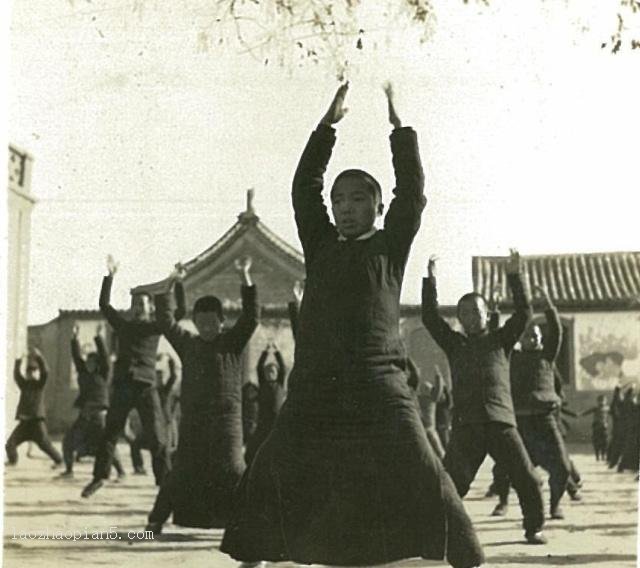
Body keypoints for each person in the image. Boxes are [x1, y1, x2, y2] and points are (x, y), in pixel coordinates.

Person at [221, 83, 484, 568]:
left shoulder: (390, 246)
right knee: (271, 462)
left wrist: (399, 128)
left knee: (424, 465)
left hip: (381, 383)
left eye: (357, 199)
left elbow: (413, 191)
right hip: (317, 386)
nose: (344, 207)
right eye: (339, 199)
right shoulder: (320, 245)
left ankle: (466, 558)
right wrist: (327, 126)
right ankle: (254, 555)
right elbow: (304, 189)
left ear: (378, 208)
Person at [422, 251, 547, 545]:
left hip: (501, 422)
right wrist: (431, 279)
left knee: (527, 478)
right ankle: (438, 531)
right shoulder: (454, 344)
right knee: (451, 483)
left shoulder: (501, 340)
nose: (470, 317)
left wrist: (516, 276)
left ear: (486, 312)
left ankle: (534, 528)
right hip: (467, 426)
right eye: (464, 313)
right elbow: (429, 317)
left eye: (476, 312)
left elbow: (524, 313)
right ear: (460, 318)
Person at [145, 256, 258, 534]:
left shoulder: (232, 342)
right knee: (181, 472)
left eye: (212, 323)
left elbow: (252, 317)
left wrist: (245, 276)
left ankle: (251, 524)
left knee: (234, 470)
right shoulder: (188, 344)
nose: (207, 328)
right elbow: (166, 321)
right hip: (194, 422)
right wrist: (166, 288)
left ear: (222, 322)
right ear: (195, 322)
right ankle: (155, 521)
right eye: (201, 323)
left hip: (227, 422)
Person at [81, 256, 177, 498]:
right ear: (132, 308)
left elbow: (180, 311)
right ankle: (99, 477)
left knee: (157, 437)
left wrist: (175, 283)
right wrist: (109, 276)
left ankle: (164, 483)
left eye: (143, 305)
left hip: (146, 387)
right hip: (123, 386)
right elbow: (104, 305)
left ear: (150, 308)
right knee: (110, 433)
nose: (139, 308)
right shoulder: (123, 326)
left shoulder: (156, 327)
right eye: (135, 305)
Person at [490, 286, 570, 520]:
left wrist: (548, 306)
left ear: (541, 339)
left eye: (536, 336)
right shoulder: (509, 357)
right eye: (527, 336)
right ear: (520, 339)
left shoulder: (547, 357)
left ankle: (554, 505)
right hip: (517, 422)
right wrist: (494, 312)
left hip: (545, 421)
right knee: (503, 468)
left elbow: (557, 331)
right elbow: (495, 336)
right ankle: (502, 503)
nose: (532, 339)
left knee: (562, 468)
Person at [60, 324, 125, 478]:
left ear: (97, 365)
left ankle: (121, 472)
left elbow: (105, 358)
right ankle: (69, 471)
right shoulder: (83, 373)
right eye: (87, 361)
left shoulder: (103, 374)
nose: (89, 364)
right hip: (85, 416)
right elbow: (76, 357)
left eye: (92, 362)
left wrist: (99, 337)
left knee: (106, 445)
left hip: (99, 417)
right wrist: (75, 338)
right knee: (68, 441)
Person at [6, 348, 63, 467]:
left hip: (37, 423)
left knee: (45, 444)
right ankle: (13, 461)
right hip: (25, 423)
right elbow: (17, 375)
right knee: (10, 443)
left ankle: (59, 461)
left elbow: (45, 372)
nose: (31, 374)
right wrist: (18, 360)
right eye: (28, 372)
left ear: (37, 373)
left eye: (33, 372)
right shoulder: (24, 385)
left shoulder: (39, 385)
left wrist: (39, 357)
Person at [244, 342, 287, 466]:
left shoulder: (280, 384)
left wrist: (277, 351)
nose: (270, 373)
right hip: (263, 420)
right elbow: (259, 367)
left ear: (277, 373)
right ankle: (251, 461)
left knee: (277, 443)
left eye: (273, 371)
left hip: (276, 421)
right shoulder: (262, 384)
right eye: (268, 372)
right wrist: (265, 352)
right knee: (257, 443)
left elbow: (283, 367)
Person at [579, 394, 610, 461]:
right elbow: (587, 412)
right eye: (600, 400)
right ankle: (597, 456)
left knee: (605, 442)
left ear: (606, 401)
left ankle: (603, 456)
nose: (602, 402)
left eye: (603, 400)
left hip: (604, 427)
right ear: (598, 401)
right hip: (596, 427)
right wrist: (580, 414)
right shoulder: (595, 408)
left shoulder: (607, 408)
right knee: (596, 442)